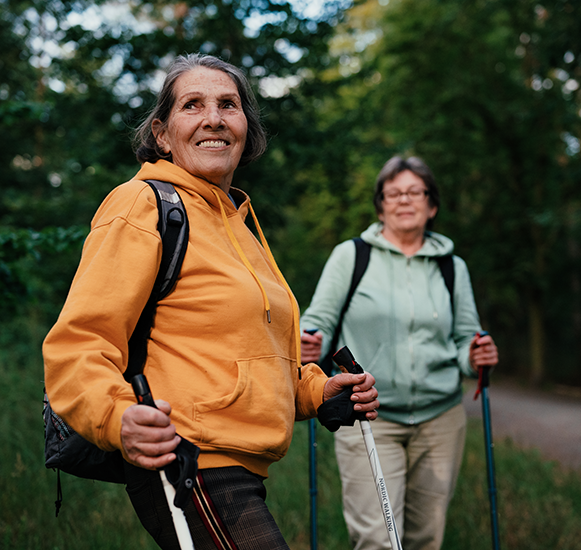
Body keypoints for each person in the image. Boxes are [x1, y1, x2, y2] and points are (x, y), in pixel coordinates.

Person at [42, 53, 379, 550]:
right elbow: (79, 343)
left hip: (241, 466)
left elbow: (259, 360)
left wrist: (319, 392)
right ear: (161, 133)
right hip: (187, 459)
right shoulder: (143, 204)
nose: (214, 118)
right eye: (192, 105)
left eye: (229, 104)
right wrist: (116, 417)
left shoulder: (240, 226)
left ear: (247, 126)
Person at [300, 155, 498, 550]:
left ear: (432, 204)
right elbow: (315, 322)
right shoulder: (351, 256)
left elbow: (464, 341)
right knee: (378, 540)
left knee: (426, 539)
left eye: (414, 192)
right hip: (368, 416)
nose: (404, 200)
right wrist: (310, 341)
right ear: (381, 205)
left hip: (440, 419)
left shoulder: (452, 267)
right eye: (393, 193)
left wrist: (474, 358)